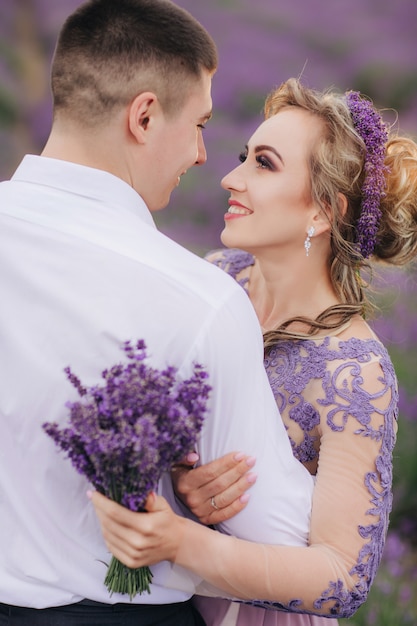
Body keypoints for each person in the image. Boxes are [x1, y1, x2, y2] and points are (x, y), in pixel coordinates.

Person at [0, 4, 317, 625]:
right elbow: (283, 537)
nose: (204, 155)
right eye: (199, 123)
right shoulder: (197, 299)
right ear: (144, 116)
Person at [90, 78, 417, 625]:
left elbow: (344, 579)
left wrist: (182, 541)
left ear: (322, 212)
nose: (229, 177)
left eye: (263, 164)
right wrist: (180, 476)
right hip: (167, 603)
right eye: (245, 157)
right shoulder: (219, 276)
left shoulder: (355, 373)